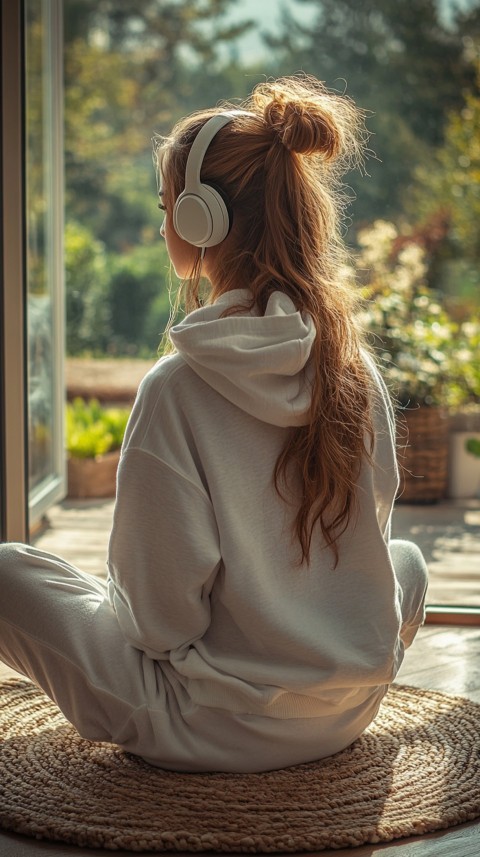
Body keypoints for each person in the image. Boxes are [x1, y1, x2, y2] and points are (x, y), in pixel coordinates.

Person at [0, 74, 427, 773]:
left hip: (207, 725)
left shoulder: (175, 389)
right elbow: (365, 554)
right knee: (403, 559)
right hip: (350, 710)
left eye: (167, 206)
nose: (162, 221)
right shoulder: (355, 370)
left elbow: (160, 625)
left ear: (202, 220)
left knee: (7, 570)